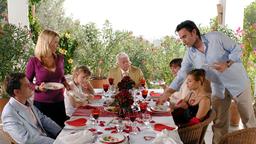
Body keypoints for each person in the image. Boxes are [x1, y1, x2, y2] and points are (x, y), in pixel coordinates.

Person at [159, 20, 256, 144]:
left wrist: (227, 63)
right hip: (218, 88)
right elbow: (181, 75)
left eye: (184, 36)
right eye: (181, 38)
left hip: (238, 84)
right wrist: (166, 93)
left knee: (249, 121)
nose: (183, 41)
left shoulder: (216, 37)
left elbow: (236, 49)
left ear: (194, 32)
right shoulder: (190, 54)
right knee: (219, 123)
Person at [26, 29, 71, 127]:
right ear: (46, 43)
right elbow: (27, 82)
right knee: (47, 133)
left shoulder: (60, 59)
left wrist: (66, 83)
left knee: (61, 131)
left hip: (59, 102)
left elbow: (61, 77)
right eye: (55, 42)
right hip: (42, 104)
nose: (57, 45)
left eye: (57, 42)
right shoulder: (34, 61)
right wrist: (38, 88)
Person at [1, 73, 61, 144]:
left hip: (47, 138)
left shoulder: (26, 101)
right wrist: (56, 142)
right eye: (27, 86)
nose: (31, 87)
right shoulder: (9, 114)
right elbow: (27, 139)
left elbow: (42, 118)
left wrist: (60, 132)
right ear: (17, 92)